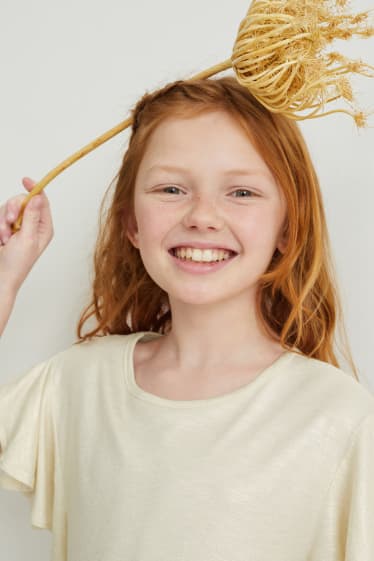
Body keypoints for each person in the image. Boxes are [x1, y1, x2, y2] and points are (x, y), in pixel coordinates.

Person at [0, 76, 373, 561]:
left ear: (289, 226)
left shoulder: (340, 414)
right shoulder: (76, 383)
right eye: (172, 188)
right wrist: (7, 278)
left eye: (241, 193)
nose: (202, 216)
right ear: (132, 223)